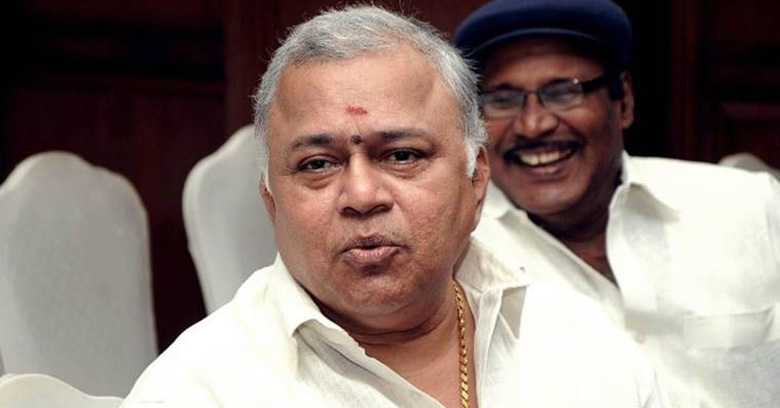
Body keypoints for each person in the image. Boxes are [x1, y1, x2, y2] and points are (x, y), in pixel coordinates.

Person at [121, 5, 662, 408]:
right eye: (317, 164)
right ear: (271, 200)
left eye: (402, 155)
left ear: (476, 179)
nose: (362, 196)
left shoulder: (583, 348)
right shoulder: (199, 391)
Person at [454, 0, 780, 407]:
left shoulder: (750, 207)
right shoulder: (460, 258)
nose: (533, 124)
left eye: (563, 92)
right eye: (503, 99)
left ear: (623, 100)